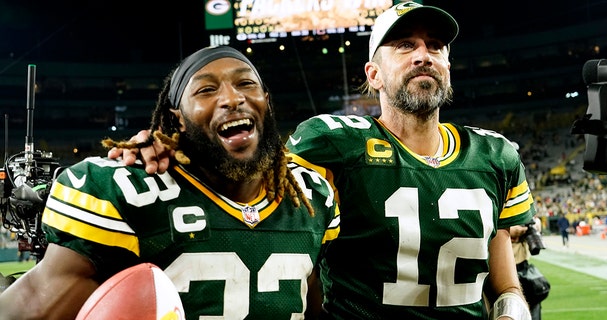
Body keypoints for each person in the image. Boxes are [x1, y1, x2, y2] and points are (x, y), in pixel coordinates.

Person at [109, 2, 535, 319]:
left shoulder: (494, 155)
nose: (423, 54)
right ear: (373, 75)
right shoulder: (334, 142)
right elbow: (247, 180)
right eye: (405, 45)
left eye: (435, 46)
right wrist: (177, 148)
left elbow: (503, 279)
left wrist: (511, 307)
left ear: (447, 65)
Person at [0, 46, 341, 319]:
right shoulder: (126, 191)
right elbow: (32, 305)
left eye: (246, 83)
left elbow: (315, 304)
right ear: (176, 119)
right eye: (206, 90)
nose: (232, 98)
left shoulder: (311, 198)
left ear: (266, 100)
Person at [511, 219, 544, 320]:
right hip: (504, 266)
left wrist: (531, 227)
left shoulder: (523, 208)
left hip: (523, 267)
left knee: (532, 305)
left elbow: (536, 221)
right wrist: (508, 231)